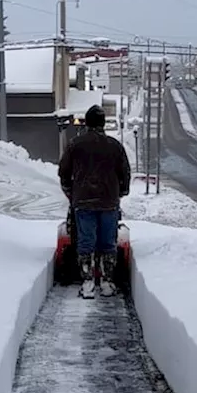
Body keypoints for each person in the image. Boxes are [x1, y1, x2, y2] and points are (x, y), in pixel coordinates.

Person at [58, 104, 131, 298]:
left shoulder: (75, 144)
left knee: (85, 241)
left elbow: (63, 172)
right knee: (108, 241)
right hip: (109, 202)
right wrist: (121, 192)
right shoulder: (115, 146)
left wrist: (70, 192)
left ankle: (88, 282)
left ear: (87, 123)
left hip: (83, 202)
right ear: (103, 123)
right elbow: (125, 173)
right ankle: (107, 282)